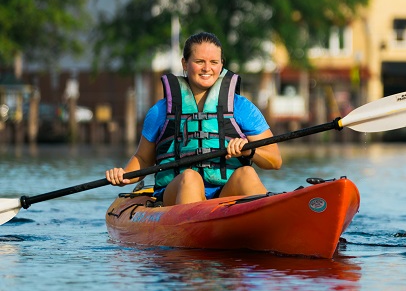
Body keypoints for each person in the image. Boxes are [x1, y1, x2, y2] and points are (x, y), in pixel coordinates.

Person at [105, 31, 282, 205]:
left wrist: (249, 151)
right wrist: (125, 176)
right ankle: (190, 228)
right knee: (191, 178)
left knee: (247, 174)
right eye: (199, 62)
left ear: (222, 64)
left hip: (225, 192)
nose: (207, 68)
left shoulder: (242, 107)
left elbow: (274, 161)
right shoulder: (160, 111)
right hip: (176, 191)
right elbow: (143, 159)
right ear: (185, 63)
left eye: (214, 62)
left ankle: (270, 224)